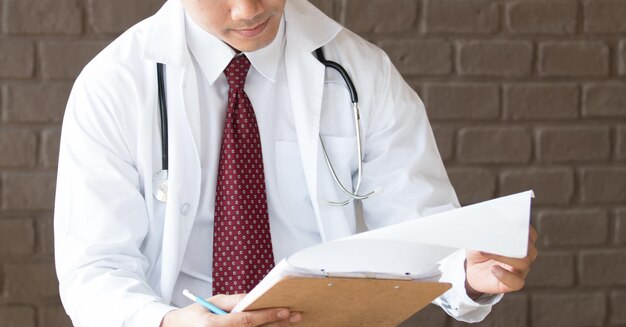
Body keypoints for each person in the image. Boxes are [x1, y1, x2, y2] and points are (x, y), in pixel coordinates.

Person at [54, 0, 538, 326]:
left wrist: (471, 275)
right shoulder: (112, 85)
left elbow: (423, 235)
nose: (248, 10)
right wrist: (164, 322)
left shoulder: (362, 71)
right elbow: (94, 267)